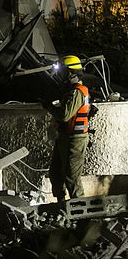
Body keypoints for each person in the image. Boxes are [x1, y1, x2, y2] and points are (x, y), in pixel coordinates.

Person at [42, 55, 90, 201]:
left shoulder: (78, 92)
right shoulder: (70, 91)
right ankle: (61, 204)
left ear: (71, 73)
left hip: (75, 139)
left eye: (63, 72)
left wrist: (49, 106)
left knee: (71, 176)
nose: (61, 75)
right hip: (65, 136)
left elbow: (64, 115)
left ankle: (79, 208)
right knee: (55, 172)